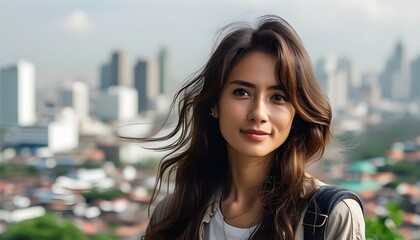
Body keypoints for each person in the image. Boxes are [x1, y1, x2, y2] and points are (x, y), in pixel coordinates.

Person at [141, 15, 365, 239]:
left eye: (278, 97)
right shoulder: (173, 214)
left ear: (296, 113)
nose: (258, 113)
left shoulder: (331, 215)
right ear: (214, 105)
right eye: (242, 92)